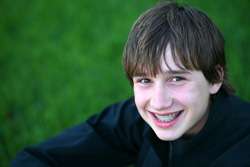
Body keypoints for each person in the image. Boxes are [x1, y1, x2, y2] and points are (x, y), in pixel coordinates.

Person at [10, 1, 250, 167]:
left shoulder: (241, 150)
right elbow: (38, 158)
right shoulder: (139, 119)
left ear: (215, 78)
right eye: (145, 80)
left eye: (177, 78)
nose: (159, 102)